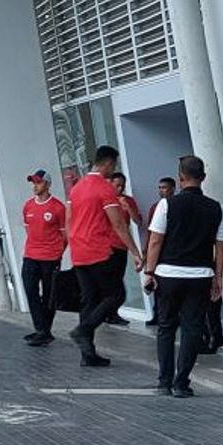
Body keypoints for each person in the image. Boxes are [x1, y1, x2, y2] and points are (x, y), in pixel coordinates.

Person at [144, 155, 223, 398]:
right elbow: (220, 246)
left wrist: (150, 271)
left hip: (168, 273)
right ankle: (182, 383)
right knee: (192, 328)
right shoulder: (215, 208)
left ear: (180, 178)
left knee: (166, 327)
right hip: (200, 275)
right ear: (203, 178)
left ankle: (164, 381)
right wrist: (218, 277)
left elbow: (156, 239)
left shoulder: (167, 205)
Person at [66, 145, 143, 367]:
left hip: (79, 251)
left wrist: (72, 244)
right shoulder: (104, 188)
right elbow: (118, 224)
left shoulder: (76, 188)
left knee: (89, 301)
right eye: (114, 165)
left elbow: (69, 220)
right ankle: (84, 330)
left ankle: (87, 354)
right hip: (98, 249)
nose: (114, 170)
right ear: (108, 163)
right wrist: (135, 252)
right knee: (116, 295)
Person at [20, 169, 66, 347]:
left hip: (50, 257)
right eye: (33, 183)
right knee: (30, 290)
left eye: (38, 182)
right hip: (31, 255)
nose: (35, 186)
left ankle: (44, 330)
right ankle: (41, 328)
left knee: (49, 295)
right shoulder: (28, 206)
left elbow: (65, 234)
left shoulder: (57, 207)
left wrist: (57, 252)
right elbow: (28, 228)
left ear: (47, 184)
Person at [105, 172, 143, 326]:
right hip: (107, 245)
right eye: (116, 185)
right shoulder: (106, 200)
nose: (119, 188)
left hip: (122, 245)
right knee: (108, 280)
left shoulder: (128, 201)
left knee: (117, 278)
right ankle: (109, 312)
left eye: (122, 185)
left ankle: (113, 311)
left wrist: (128, 207)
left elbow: (137, 221)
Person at [145, 177, 177, 328]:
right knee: (157, 286)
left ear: (172, 189)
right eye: (159, 188)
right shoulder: (155, 207)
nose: (161, 191)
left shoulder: (175, 205)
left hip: (170, 252)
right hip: (159, 252)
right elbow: (152, 233)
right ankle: (157, 314)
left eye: (164, 187)